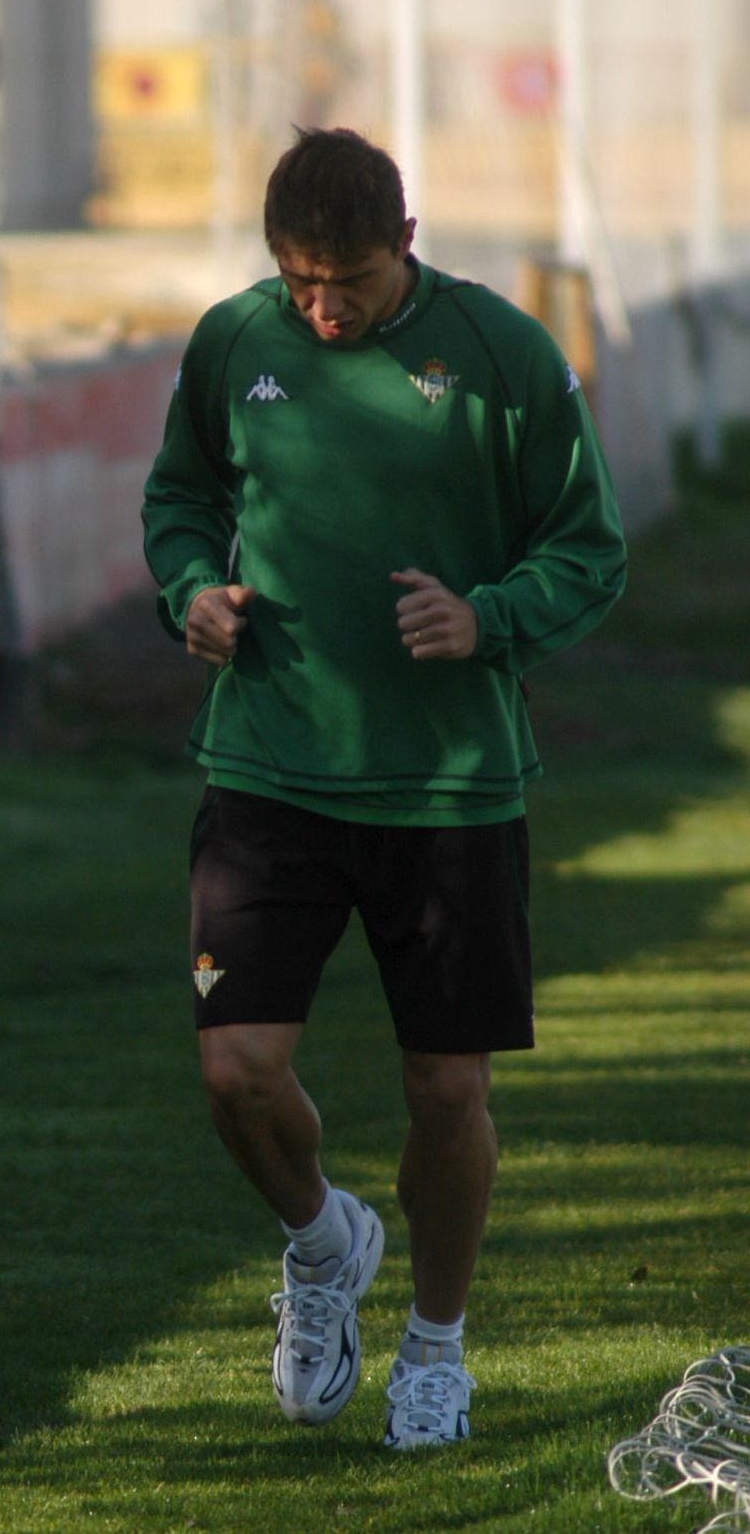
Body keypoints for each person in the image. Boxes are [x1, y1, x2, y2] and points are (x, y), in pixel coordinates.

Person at [141, 127, 625, 1449]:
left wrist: (491, 616)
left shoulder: (502, 356)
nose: (321, 305)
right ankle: (321, 1242)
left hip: (451, 789)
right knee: (236, 1071)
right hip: (269, 772)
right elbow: (179, 496)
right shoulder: (235, 342)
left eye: (346, 278)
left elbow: (590, 544)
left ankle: (438, 1343)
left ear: (405, 245)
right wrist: (193, 590)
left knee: (447, 1094)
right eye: (298, 278)